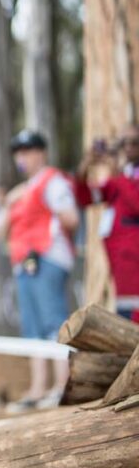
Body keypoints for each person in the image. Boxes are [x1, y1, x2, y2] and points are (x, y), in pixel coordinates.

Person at [1, 129, 79, 412]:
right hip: (24, 262)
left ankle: (62, 386)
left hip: (48, 257)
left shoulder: (52, 182)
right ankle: (37, 389)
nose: (22, 157)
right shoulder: (25, 188)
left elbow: (70, 218)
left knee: (53, 324)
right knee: (32, 328)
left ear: (40, 153)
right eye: (18, 153)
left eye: (27, 151)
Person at [74, 125, 139, 322]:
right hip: (120, 266)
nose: (127, 148)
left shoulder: (123, 178)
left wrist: (117, 174)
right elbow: (85, 197)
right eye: (121, 143)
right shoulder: (120, 179)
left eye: (134, 143)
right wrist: (86, 166)